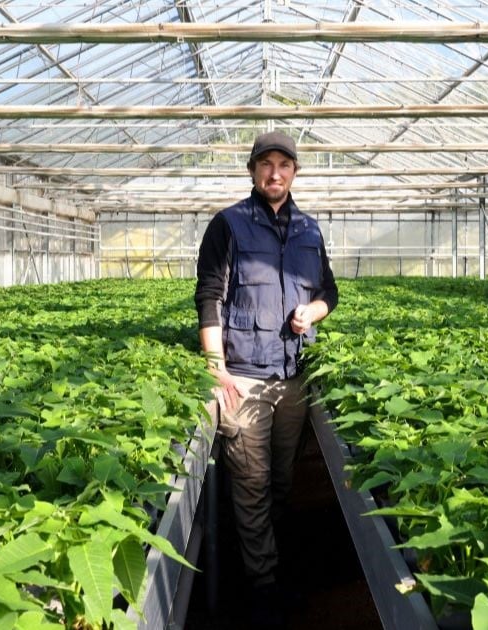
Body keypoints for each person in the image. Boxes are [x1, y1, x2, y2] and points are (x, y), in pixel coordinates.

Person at [193, 130, 338, 625]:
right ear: (253, 170)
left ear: (295, 172)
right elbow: (209, 295)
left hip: (293, 378)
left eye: (284, 165)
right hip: (246, 379)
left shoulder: (310, 230)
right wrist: (217, 369)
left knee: (280, 480)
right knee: (251, 483)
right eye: (266, 164)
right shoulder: (228, 225)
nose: (275, 173)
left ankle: (262, 561)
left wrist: (312, 311)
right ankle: (262, 587)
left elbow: (329, 293)